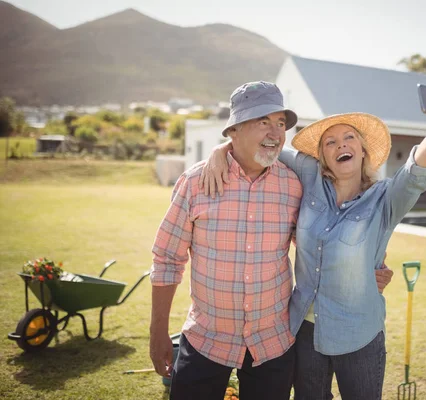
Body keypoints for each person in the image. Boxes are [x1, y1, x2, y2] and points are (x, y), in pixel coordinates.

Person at [202, 81, 426, 400]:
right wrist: (220, 150)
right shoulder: (309, 177)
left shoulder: (384, 200)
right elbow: (258, 144)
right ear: (322, 157)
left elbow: (416, 173)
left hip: (360, 334)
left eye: (349, 137)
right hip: (304, 331)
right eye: (330, 142)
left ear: (363, 150)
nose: (341, 145)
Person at [149, 81, 394, 400]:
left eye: (280, 123)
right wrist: (157, 333)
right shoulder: (196, 183)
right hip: (207, 339)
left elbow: (322, 241)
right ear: (233, 130)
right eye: (262, 121)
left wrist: (364, 269)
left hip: (273, 344)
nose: (275, 132)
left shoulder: (294, 185)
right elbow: (167, 259)